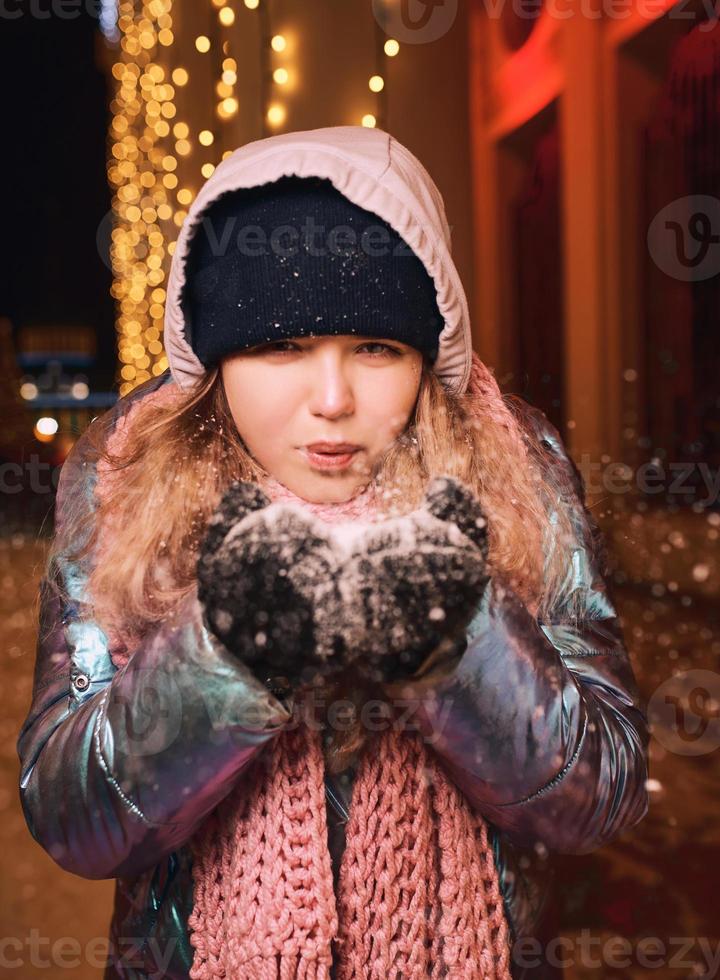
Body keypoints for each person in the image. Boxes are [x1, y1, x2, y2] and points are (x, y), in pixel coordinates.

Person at [17, 125, 650, 979]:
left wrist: (455, 641)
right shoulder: (129, 479)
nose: (331, 399)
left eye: (376, 349)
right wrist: (227, 656)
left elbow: (600, 797)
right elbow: (74, 817)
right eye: (280, 346)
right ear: (215, 358)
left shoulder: (513, 469)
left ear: (428, 360)